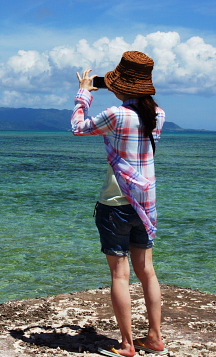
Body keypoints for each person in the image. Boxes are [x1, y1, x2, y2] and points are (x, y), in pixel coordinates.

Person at [71, 51, 168, 357]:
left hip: (116, 203)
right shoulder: (158, 115)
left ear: (121, 86)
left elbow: (78, 126)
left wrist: (84, 93)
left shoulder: (116, 115)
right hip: (146, 204)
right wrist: (110, 86)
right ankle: (155, 338)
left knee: (120, 275)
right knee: (148, 272)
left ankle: (127, 345)